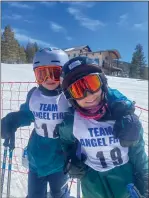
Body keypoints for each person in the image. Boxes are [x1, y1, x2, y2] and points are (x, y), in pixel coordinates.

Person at [56, 56, 148, 198]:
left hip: (125, 183)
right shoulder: (71, 122)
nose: (89, 95)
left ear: (103, 83)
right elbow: (66, 142)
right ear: (71, 97)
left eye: (92, 84)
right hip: (92, 184)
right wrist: (70, 157)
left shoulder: (123, 118)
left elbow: (138, 153)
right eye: (78, 90)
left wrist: (145, 180)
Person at [1, 48, 71, 198]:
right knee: (34, 194)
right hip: (37, 157)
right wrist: (13, 120)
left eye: (55, 73)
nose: (49, 79)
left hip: (61, 159)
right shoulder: (34, 95)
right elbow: (27, 114)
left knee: (59, 194)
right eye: (42, 74)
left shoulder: (69, 96)